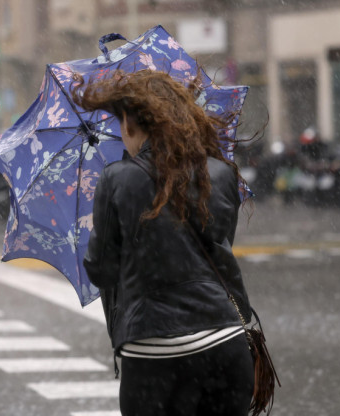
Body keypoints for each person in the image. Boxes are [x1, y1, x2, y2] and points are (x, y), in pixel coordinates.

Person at [76, 69, 255, 416]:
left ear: (131, 123)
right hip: (224, 342)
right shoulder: (217, 172)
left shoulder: (116, 179)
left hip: (154, 350)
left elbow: (102, 270)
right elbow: (213, 252)